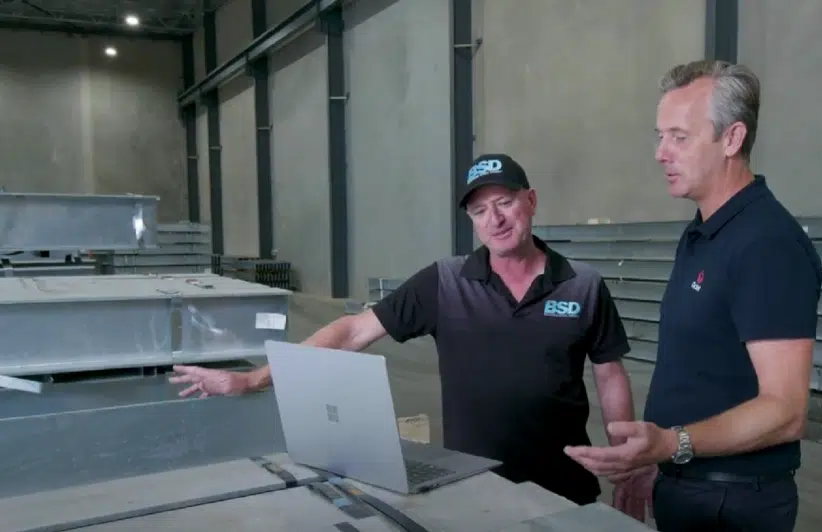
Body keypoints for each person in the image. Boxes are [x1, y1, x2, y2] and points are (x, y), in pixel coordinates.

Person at [170, 153, 641, 511]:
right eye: (479, 211)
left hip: (563, 488)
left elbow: (609, 373)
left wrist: (627, 463)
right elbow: (353, 331)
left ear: (531, 200)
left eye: (505, 203)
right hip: (474, 486)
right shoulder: (445, 282)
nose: (494, 220)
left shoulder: (583, 284)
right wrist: (253, 378)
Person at [564, 60, 822, 531]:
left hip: (735, 503)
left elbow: (785, 411)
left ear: (732, 138)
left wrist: (672, 444)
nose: (661, 153)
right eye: (659, 136)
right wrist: (656, 458)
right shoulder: (704, 233)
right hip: (691, 486)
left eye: (680, 137)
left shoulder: (766, 244)